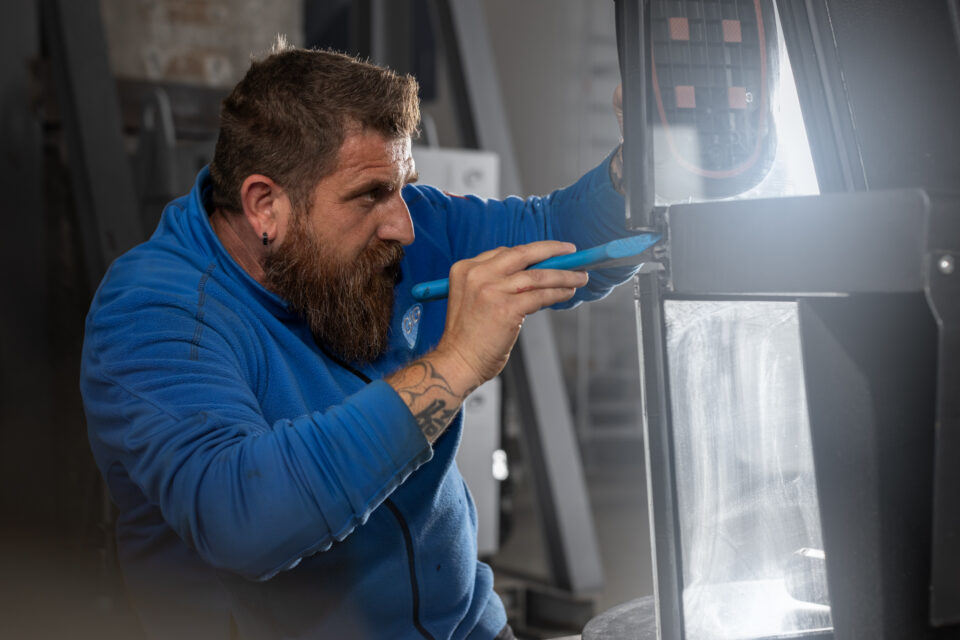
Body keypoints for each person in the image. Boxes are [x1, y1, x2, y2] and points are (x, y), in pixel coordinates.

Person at [81, 39, 633, 640]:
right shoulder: (155, 312)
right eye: (370, 194)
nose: (403, 224)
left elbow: (555, 235)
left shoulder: (406, 228)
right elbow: (241, 519)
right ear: (264, 205)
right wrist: (453, 366)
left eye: (402, 185)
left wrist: (637, 171)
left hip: (468, 627)